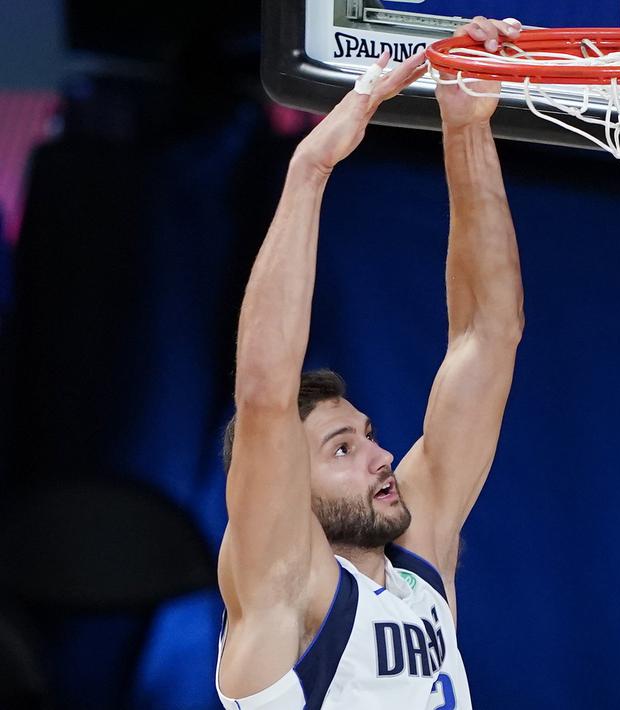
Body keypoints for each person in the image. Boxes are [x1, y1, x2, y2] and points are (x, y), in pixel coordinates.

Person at [215, 17, 525, 709]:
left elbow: (488, 332)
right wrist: (311, 170)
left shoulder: (419, 561)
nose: (381, 456)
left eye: (366, 435)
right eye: (342, 448)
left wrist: (467, 124)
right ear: (288, 482)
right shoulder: (284, 589)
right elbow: (264, 393)